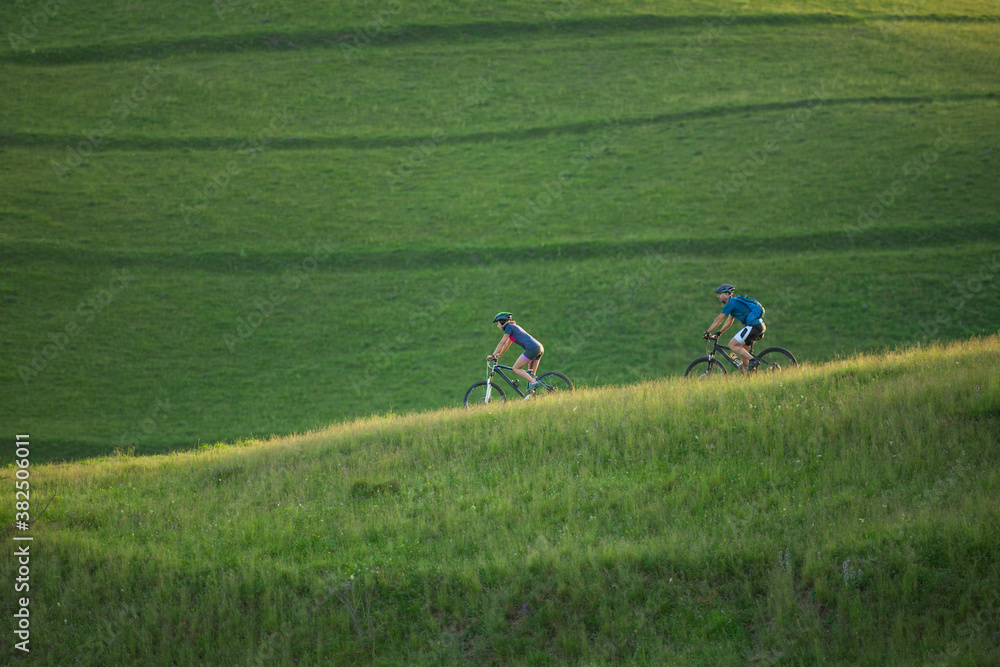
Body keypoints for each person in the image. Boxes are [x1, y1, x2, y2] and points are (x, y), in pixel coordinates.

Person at [703, 284, 766, 372]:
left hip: (753, 326)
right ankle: (747, 374)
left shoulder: (731, 302)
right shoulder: (734, 303)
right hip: (759, 326)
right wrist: (719, 332)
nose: (718, 296)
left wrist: (708, 331)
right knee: (742, 351)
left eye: (719, 294)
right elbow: (729, 321)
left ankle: (753, 361)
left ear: (726, 294)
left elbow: (719, 319)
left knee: (732, 345)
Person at [487, 312, 544, 395]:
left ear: (502, 322)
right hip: (539, 348)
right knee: (531, 375)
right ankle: (532, 397)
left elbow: (502, 343)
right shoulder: (513, 328)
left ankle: (533, 382)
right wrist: (500, 354)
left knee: (516, 368)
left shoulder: (509, 327)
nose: (497, 326)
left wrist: (492, 355)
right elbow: (507, 344)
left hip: (532, 349)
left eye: (497, 324)